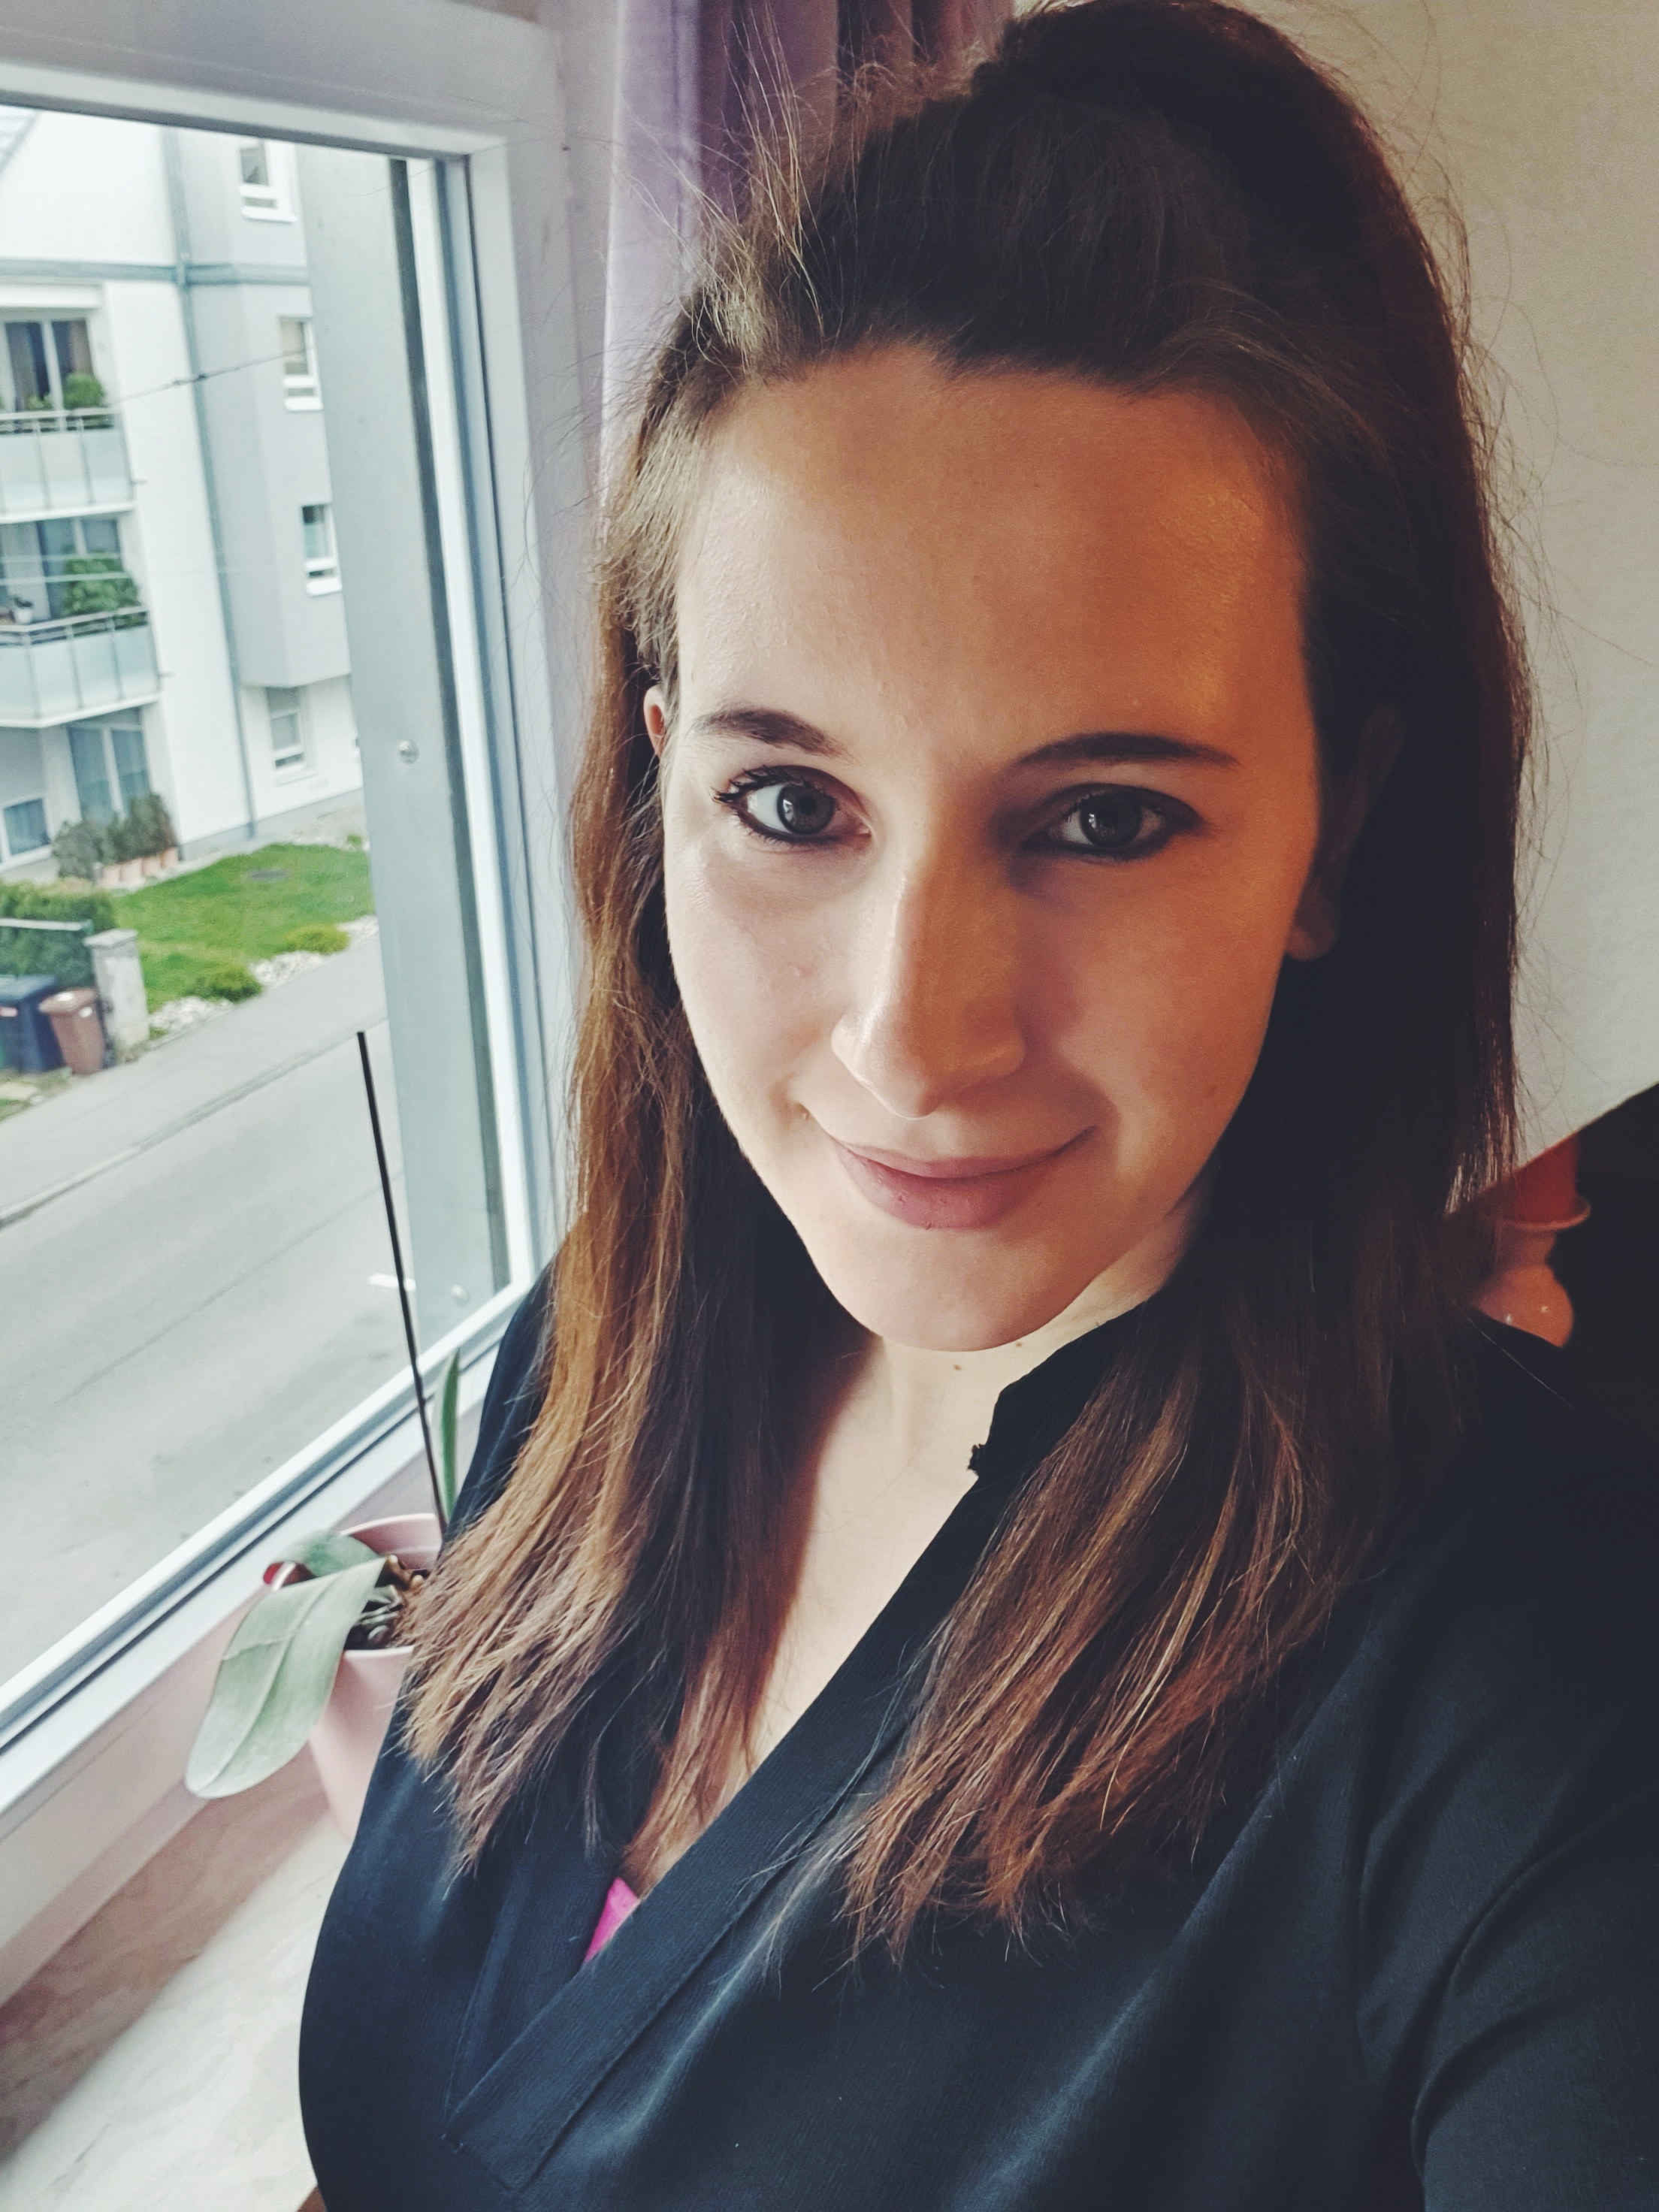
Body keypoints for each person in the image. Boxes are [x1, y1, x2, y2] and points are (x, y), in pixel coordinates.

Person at [300, 4, 1659, 2204]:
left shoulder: (1534, 1691)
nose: (913, 1041)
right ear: (656, 772)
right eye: (790, 800)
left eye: (1104, 820)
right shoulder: (589, 1366)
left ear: (1334, 832)